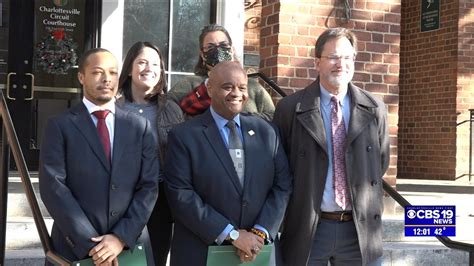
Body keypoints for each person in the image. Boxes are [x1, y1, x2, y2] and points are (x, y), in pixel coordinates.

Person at [273, 27, 390, 265]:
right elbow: (279, 169)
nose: (341, 64)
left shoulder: (375, 108)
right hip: (309, 228)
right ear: (317, 62)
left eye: (348, 57)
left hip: (359, 231)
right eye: (333, 57)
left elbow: (381, 162)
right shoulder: (290, 109)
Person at [165, 61, 292, 266]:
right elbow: (180, 194)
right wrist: (232, 235)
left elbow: (283, 185)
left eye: (242, 87)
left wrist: (260, 232)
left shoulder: (267, 131)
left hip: (257, 251)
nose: (236, 93)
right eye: (227, 87)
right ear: (209, 89)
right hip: (201, 251)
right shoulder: (184, 136)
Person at [39, 48, 159, 265]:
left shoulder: (139, 127)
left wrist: (120, 238)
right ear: (81, 77)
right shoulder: (60, 126)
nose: (106, 79)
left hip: (130, 246)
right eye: (97, 72)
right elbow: (53, 187)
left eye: (113, 73)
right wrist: (92, 245)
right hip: (75, 247)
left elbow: (149, 186)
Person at [117, 41, 184, 266]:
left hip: (159, 198)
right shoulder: (113, 107)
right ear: (129, 68)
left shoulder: (171, 109)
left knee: (155, 258)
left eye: (155, 64)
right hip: (120, 197)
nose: (149, 68)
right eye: (142, 62)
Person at [169, 24, 275, 121]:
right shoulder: (189, 84)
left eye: (223, 45)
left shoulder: (252, 86)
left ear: (232, 50)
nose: (218, 50)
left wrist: (240, 119)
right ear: (202, 55)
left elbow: (273, 116)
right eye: (210, 47)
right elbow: (168, 111)